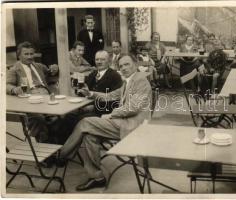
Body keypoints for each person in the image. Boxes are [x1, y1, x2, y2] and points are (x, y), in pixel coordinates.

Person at [57, 55, 152, 191]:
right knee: (89, 136)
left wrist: (111, 115)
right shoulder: (128, 81)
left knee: (85, 122)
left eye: (127, 64)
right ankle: (97, 177)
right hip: (122, 122)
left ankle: (62, 155)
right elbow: (110, 95)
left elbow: (133, 108)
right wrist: (90, 94)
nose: (124, 68)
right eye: (121, 66)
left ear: (135, 64)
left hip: (132, 127)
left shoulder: (141, 81)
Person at [6, 41, 59, 142]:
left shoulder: (38, 66)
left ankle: (55, 144)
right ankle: (45, 146)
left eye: (31, 54)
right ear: (19, 55)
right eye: (26, 54)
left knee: (62, 116)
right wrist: (14, 89)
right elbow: (6, 85)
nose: (30, 57)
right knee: (38, 119)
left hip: (46, 97)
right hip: (30, 100)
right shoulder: (14, 69)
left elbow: (50, 72)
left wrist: (55, 68)